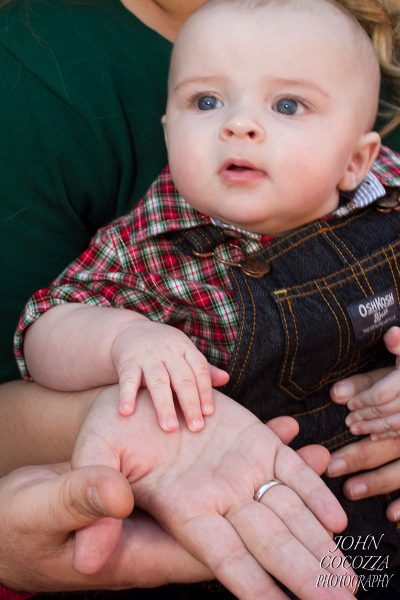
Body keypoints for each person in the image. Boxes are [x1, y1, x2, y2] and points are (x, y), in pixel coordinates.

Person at [0, 0, 400, 598]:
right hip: (220, 515)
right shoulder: (153, 242)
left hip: (371, 499)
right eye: (206, 102)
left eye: (287, 105)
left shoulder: (388, 202)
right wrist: (124, 339)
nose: (239, 124)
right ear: (168, 132)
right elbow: (42, 328)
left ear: (356, 160)